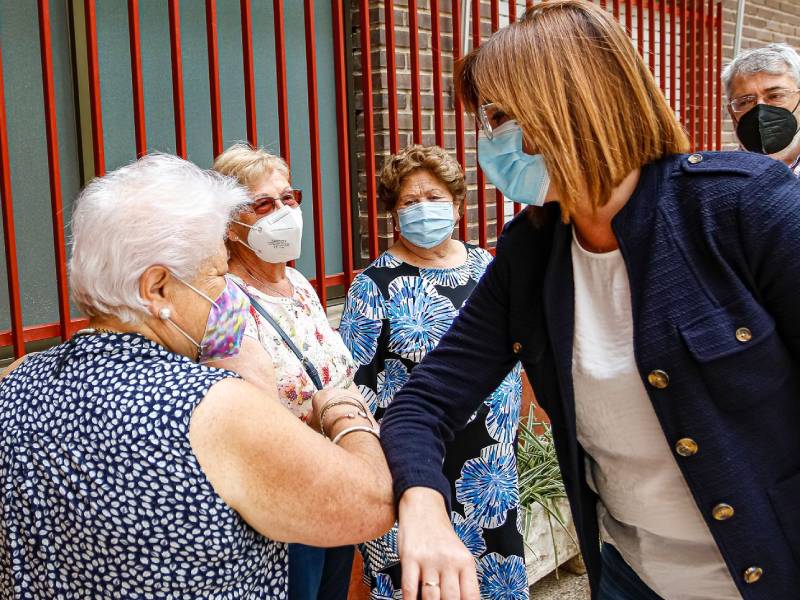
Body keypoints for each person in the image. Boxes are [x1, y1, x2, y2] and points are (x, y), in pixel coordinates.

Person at [379, 2, 800, 599]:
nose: (490, 142)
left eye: (500, 116)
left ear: (571, 104)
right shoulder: (530, 255)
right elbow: (426, 401)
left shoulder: (739, 207)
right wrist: (421, 498)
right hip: (631, 577)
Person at [0, 154, 393, 598]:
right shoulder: (212, 405)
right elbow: (371, 504)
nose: (227, 294)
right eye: (216, 275)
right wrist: (345, 412)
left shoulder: (17, 381)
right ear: (157, 289)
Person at [340, 144, 525, 599]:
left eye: (435, 198)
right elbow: (356, 389)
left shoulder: (488, 267)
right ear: (393, 214)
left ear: (458, 205)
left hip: (491, 472)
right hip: (417, 473)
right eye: (409, 202)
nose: (423, 209)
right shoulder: (374, 285)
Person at [212, 143, 358, 600]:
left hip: (332, 478)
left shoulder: (296, 282)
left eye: (288, 198)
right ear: (232, 224)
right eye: (263, 204)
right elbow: (235, 403)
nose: (284, 212)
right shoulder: (225, 302)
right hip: (284, 492)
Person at [723, 43, 800, 175]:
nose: (760, 110)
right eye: (745, 101)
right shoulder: (719, 176)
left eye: (775, 96)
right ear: (731, 112)